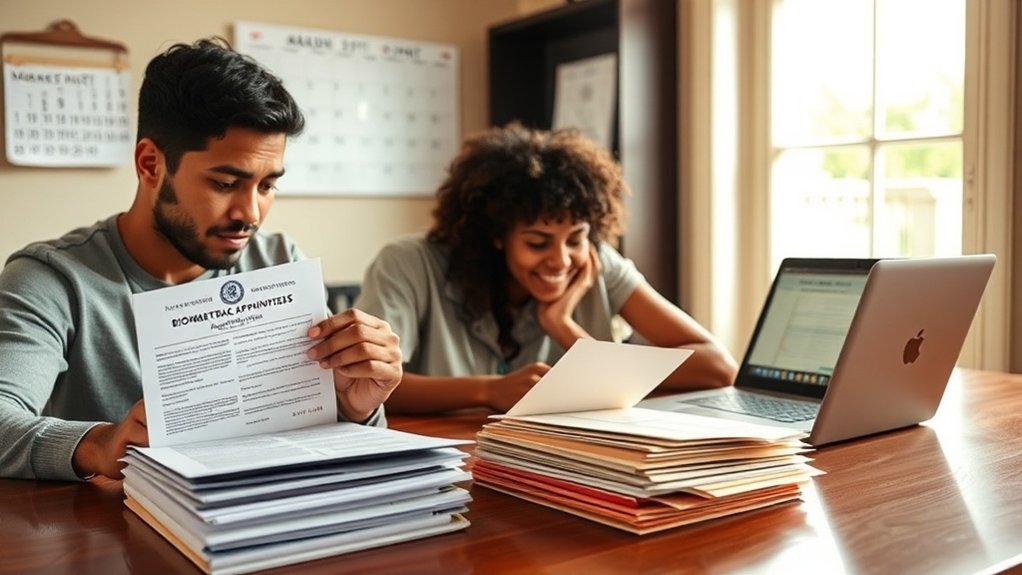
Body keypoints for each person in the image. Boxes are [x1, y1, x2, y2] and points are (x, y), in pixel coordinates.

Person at [0, 38, 402, 481]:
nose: (250, 214)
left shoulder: (279, 263)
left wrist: (356, 407)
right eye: (226, 183)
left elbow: (338, 452)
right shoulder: (52, 280)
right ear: (151, 165)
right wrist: (100, 444)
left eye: (267, 186)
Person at [355, 123, 737, 415]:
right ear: (497, 235)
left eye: (576, 238)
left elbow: (718, 367)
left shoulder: (598, 263)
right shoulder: (408, 263)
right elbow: (367, 380)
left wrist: (564, 327)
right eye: (538, 243)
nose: (561, 260)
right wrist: (488, 390)